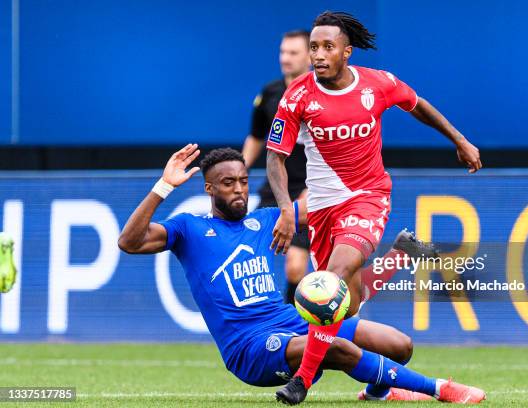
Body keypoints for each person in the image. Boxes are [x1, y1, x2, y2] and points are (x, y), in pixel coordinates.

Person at [117, 145, 485, 404]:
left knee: (399, 346)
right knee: (337, 347)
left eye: (243, 180)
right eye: (228, 183)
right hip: (251, 348)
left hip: (292, 321)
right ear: (209, 189)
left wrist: (355, 165)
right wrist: (163, 187)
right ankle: (440, 389)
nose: (239, 189)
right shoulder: (189, 228)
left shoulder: (264, 220)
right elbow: (129, 242)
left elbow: (322, 202)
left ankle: (379, 391)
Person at [266, 11, 483, 404]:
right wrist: (285, 210)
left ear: (346, 52)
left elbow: (417, 105)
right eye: (314, 47)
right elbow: (274, 158)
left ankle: (302, 381)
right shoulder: (297, 96)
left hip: (368, 198)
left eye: (327, 47)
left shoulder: (377, 84)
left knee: (328, 283)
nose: (318, 54)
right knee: (344, 307)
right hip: (322, 210)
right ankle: (402, 255)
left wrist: (460, 140)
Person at [242, 30, 311, 304]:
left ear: (309, 56)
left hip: (308, 191)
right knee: (247, 250)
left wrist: (315, 189)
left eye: (293, 53)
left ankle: (289, 318)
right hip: (275, 187)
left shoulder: (320, 94)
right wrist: (239, 169)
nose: (285, 58)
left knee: (295, 264)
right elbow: (257, 136)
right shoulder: (270, 93)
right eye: (283, 52)